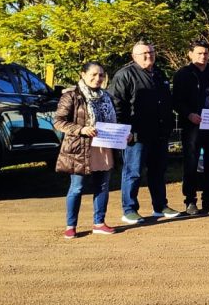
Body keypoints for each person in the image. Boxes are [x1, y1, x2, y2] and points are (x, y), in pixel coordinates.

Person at [109, 41, 178, 224]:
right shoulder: (124, 75)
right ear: (134, 57)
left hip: (159, 133)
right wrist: (125, 129)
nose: (149, 56)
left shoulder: (159, 74)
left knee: (158, 171)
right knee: (133, 172)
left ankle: (160, 206)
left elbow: (166, 102)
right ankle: (129, 209)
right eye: (144, 54)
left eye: (151, 52)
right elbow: (116, 105)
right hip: (136, 135)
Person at [54, 62, 118, 239]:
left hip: (104, 147)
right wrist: (80, 129)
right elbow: (58, 121)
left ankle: (99, 223)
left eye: (101, 75)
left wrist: (123, 135)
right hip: (79, 148)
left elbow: (114, 121)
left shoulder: (107, 96)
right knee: (77, 187)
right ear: (83, 74)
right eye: (94, 74)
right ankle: (70, 225)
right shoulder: (71, 96)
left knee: (103, 186)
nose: (98, 78)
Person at [171, 39, 209, 215]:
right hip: (192, 125)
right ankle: (190, 201)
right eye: (199, 53)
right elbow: (176, 101)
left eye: (205, 53)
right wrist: (189, 114)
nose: (203, 56)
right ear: (190, 54)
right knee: (191, 164)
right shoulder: (182, 74)